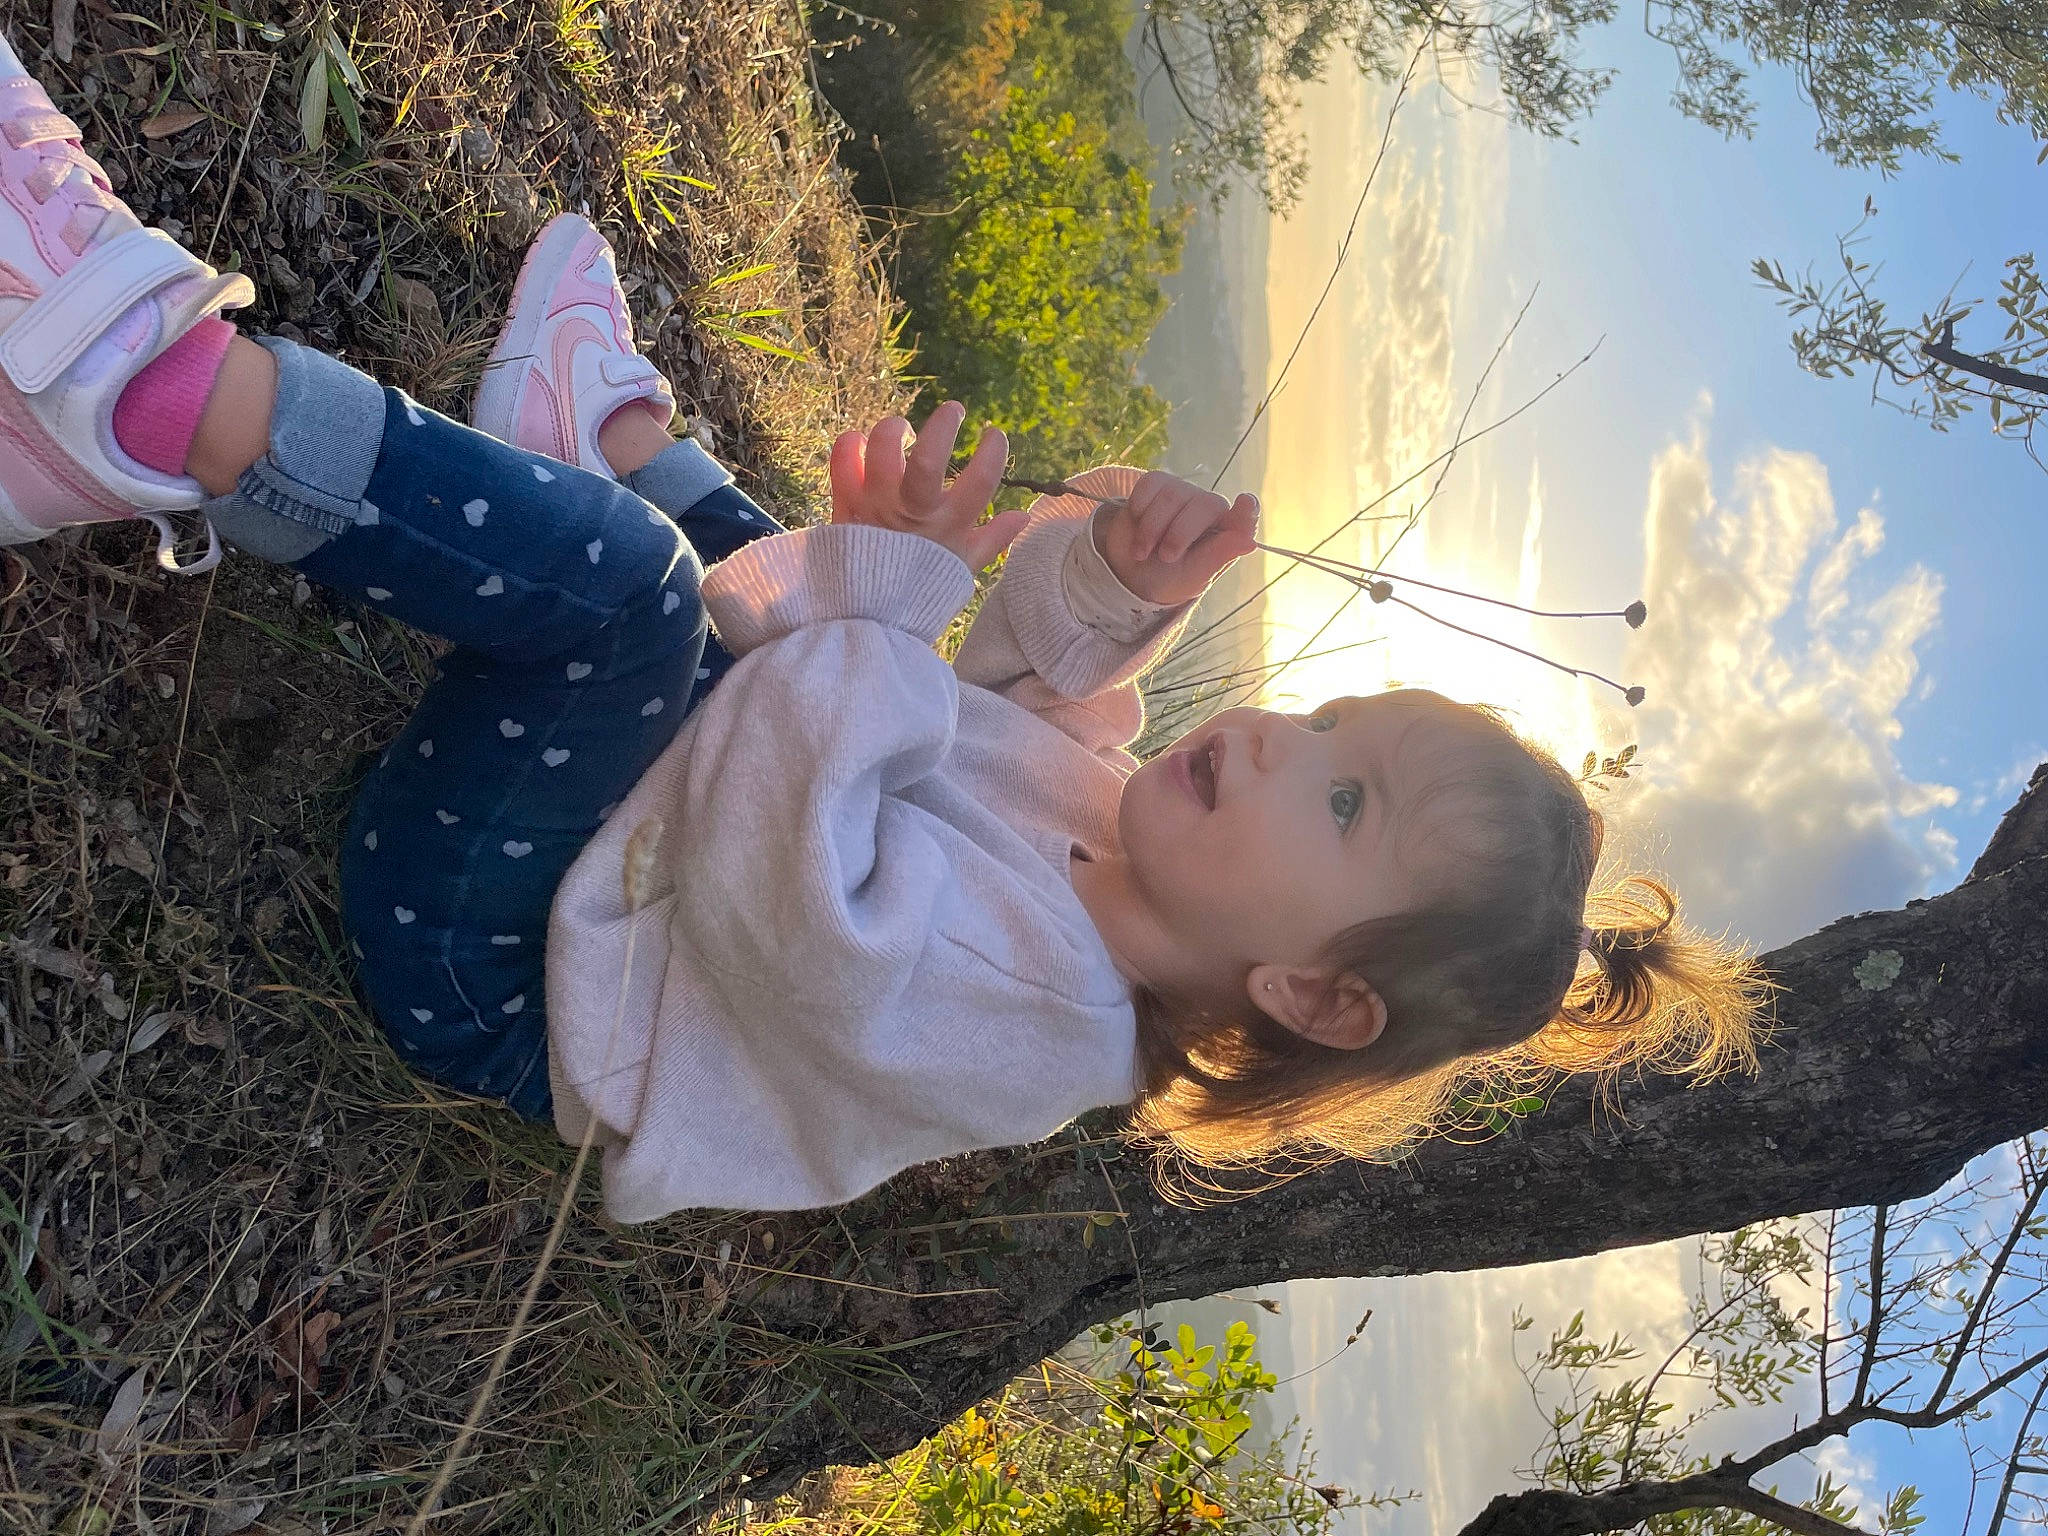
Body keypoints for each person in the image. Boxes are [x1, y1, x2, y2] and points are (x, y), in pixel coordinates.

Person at [0, 31, 1763, 1222]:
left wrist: (886, 590)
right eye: (1342, 722)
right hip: (643, 865)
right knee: (792, 588)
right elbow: (1007, 697)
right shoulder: (1119, 848)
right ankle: (594, 430)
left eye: (1345, 802)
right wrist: (1116, 594)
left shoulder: (1038, 1021)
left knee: (643, 605)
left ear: (1311, 989)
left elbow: (784, 833)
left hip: (508, 966)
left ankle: (138, 405)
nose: (1290, 739)